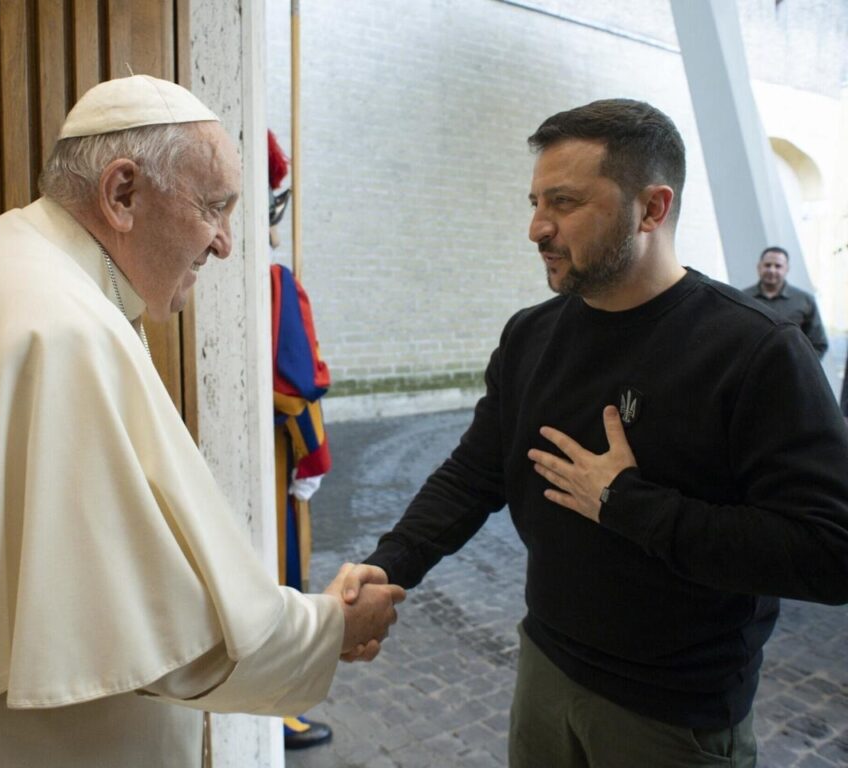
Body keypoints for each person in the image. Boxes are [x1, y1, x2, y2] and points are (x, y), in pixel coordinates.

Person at [0, 75, 404, 768]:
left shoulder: (6, 262)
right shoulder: (62, 328)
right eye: (215, 208)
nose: (224, 244)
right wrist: (330, 627)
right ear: (122, 193)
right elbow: (165, 634)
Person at [342, 99, 848, 767]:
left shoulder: (755, 351)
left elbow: (829, 552)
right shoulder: (532, 335)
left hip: (675, 715)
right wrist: (388, 563)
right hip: (546, 670)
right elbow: (475, 472)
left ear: (652, 208)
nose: (536, 227)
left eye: (565, 202)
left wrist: (628, 504)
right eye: (534, 201)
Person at [266, 130, 338, 750]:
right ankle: (283, 710)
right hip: (271, 453)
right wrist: (314, 454)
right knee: (284, 572)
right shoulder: (274, 281)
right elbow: (297, 381)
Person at [743, 246, 828, 358]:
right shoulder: (742, 298)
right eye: (767, 265)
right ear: (759, 267)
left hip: (791, 372)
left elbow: (818, 344)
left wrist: (802, 368)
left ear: (786, 269)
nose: (772, 270)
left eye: (778, 266)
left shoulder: (805, 300)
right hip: (751, 372)